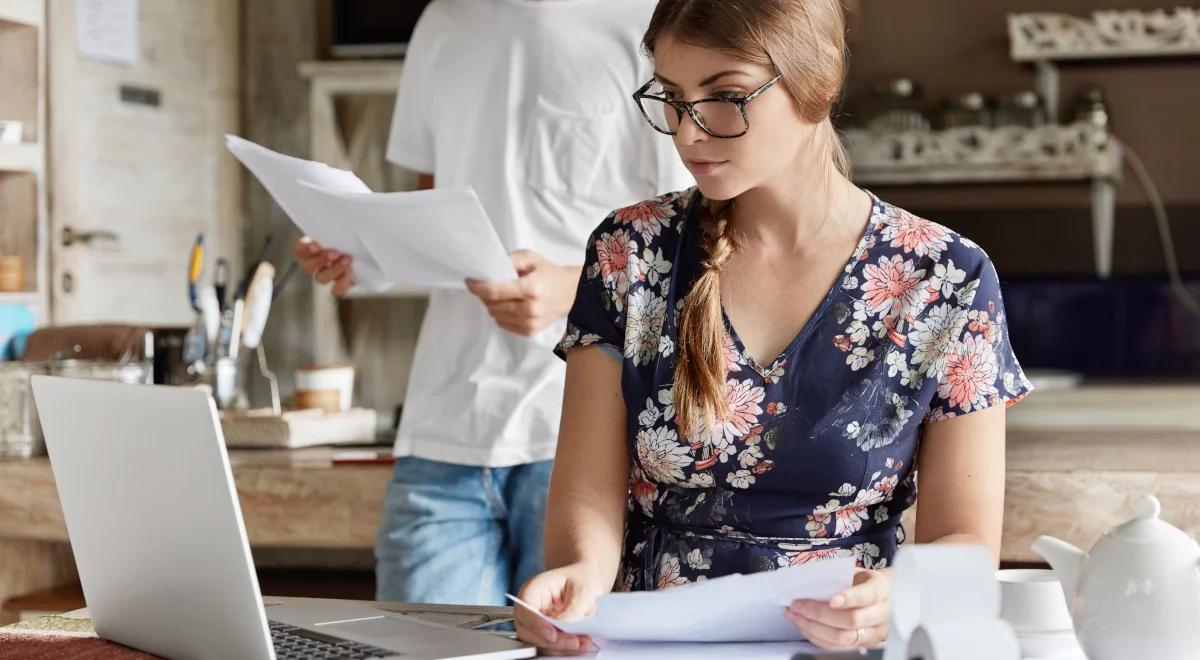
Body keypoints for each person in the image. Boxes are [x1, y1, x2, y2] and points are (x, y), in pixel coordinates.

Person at [513, 0, 1034, 653]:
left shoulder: (946, 278)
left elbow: (966, 549)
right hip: (648, 649)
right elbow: (586, 498)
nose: (687, 133)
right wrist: (580, 574)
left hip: (846, 649)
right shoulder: (630, 253)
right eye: (672, 98)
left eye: (725, 95)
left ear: (815, 83)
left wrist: (902, 594)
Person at [293, 0, 691, 606]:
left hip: (583, 437)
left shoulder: (649, 23)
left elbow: (692, 231)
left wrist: (572, 289)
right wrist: (362, 257)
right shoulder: (442, 21)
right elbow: (433, 215)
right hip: (442, 427)